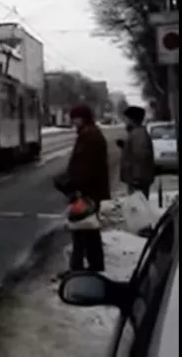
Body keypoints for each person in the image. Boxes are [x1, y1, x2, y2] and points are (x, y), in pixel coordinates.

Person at [64, 104, 111, 273]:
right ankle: (92, 265)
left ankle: (80, 267)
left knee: (82, 229)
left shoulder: (89, 136)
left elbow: (86, 167)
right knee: (87, 230)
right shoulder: (90, 134)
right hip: (91, 191)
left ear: (82, 118)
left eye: (75, 118)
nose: (73, 121)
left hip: (87, 192)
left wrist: (75, 186)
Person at [120, 106, 155, 198]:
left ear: (132, 119)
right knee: (138, 206)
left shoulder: (138, 134)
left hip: (137, 180)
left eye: (126, 118)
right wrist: (125, 146)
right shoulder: (137, 133)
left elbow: (141, 157)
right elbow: (137, 152)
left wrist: (137, 179)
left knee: (138, 207)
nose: (125, 121)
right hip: (137, 178)